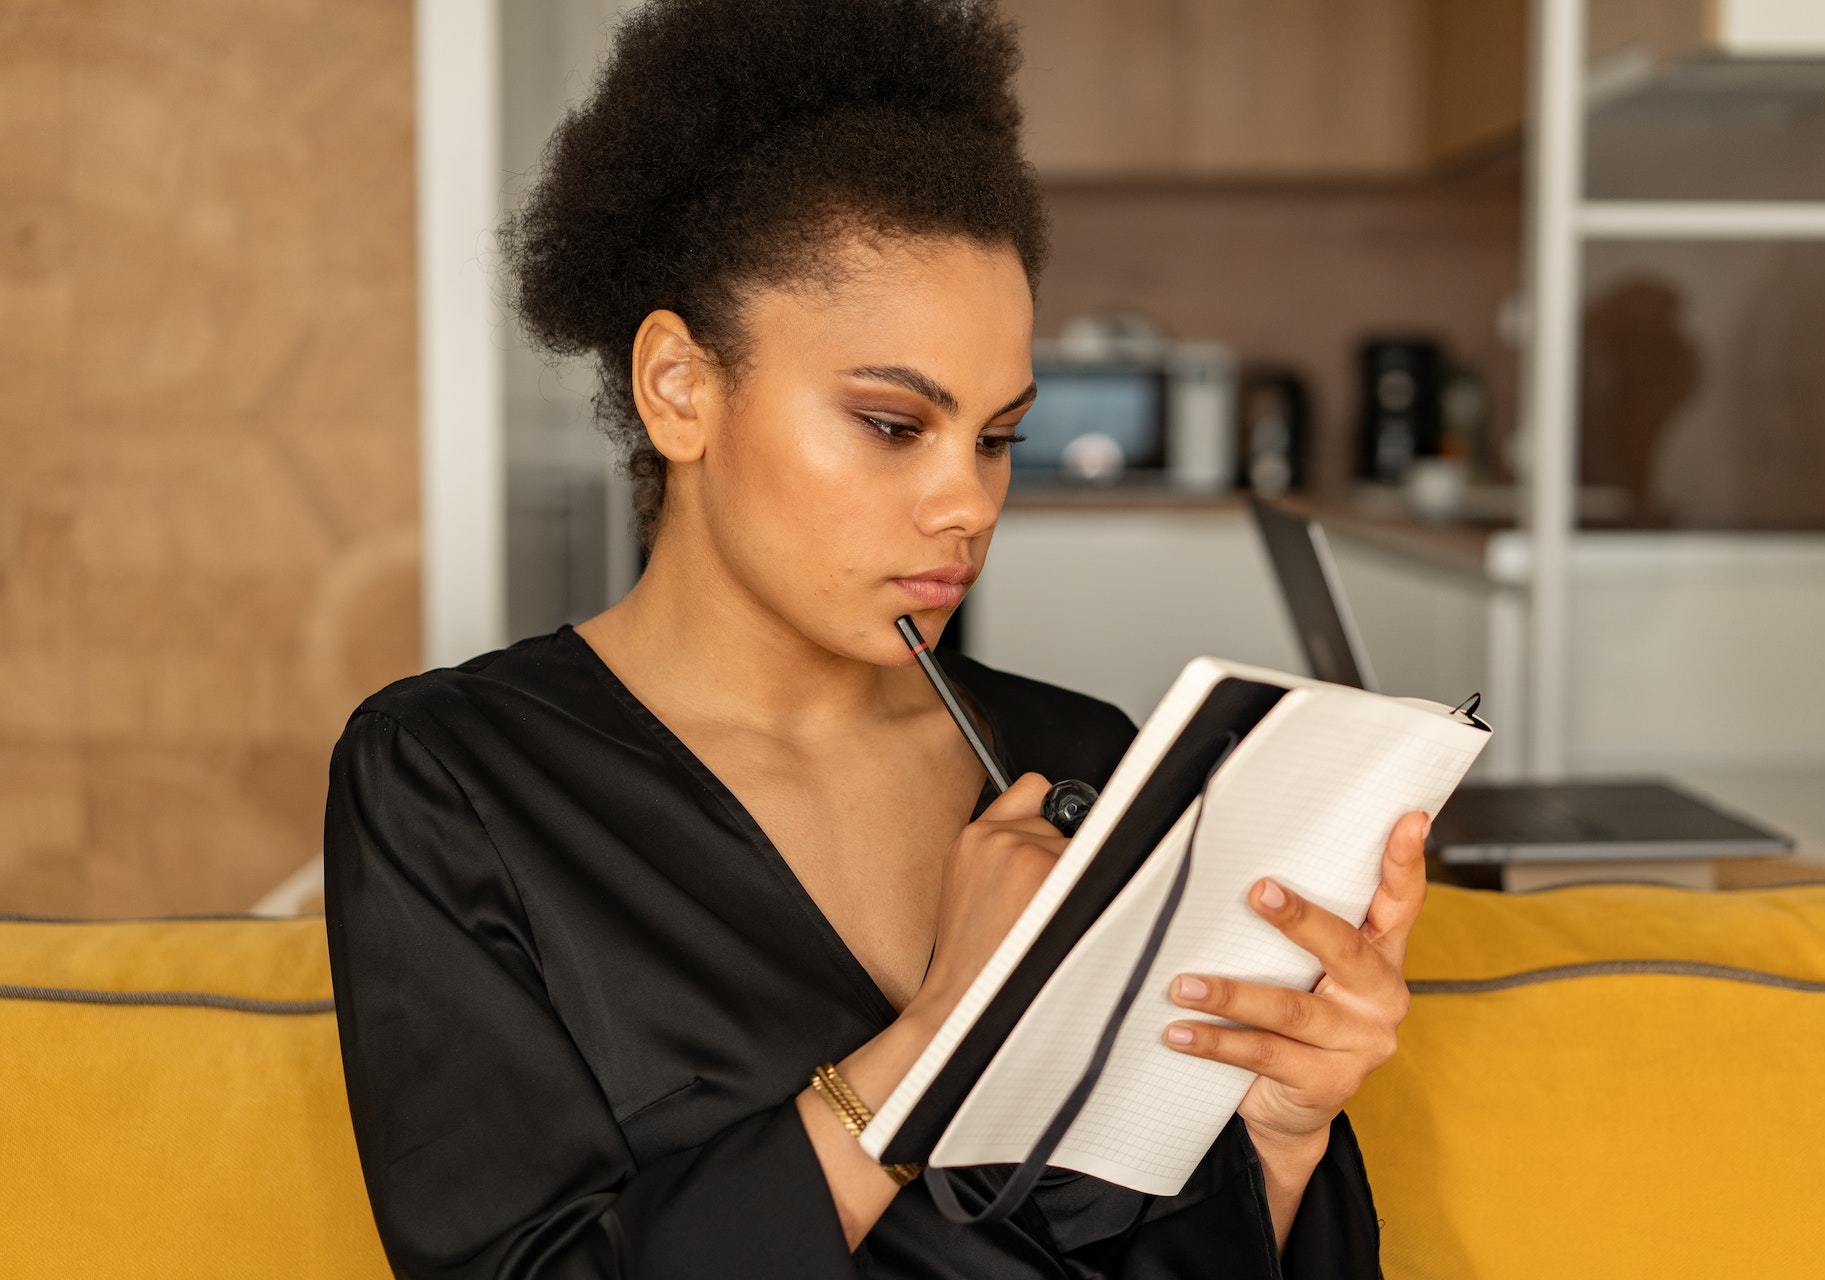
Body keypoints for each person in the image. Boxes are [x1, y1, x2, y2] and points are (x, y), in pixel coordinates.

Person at [323, 2, 1426, 1275]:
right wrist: (941, 1029)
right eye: (896, 424)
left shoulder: (1085, 759)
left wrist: (1282, 1136)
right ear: (681, 388)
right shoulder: (452, 781)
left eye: (998, 436)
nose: (969, 501)